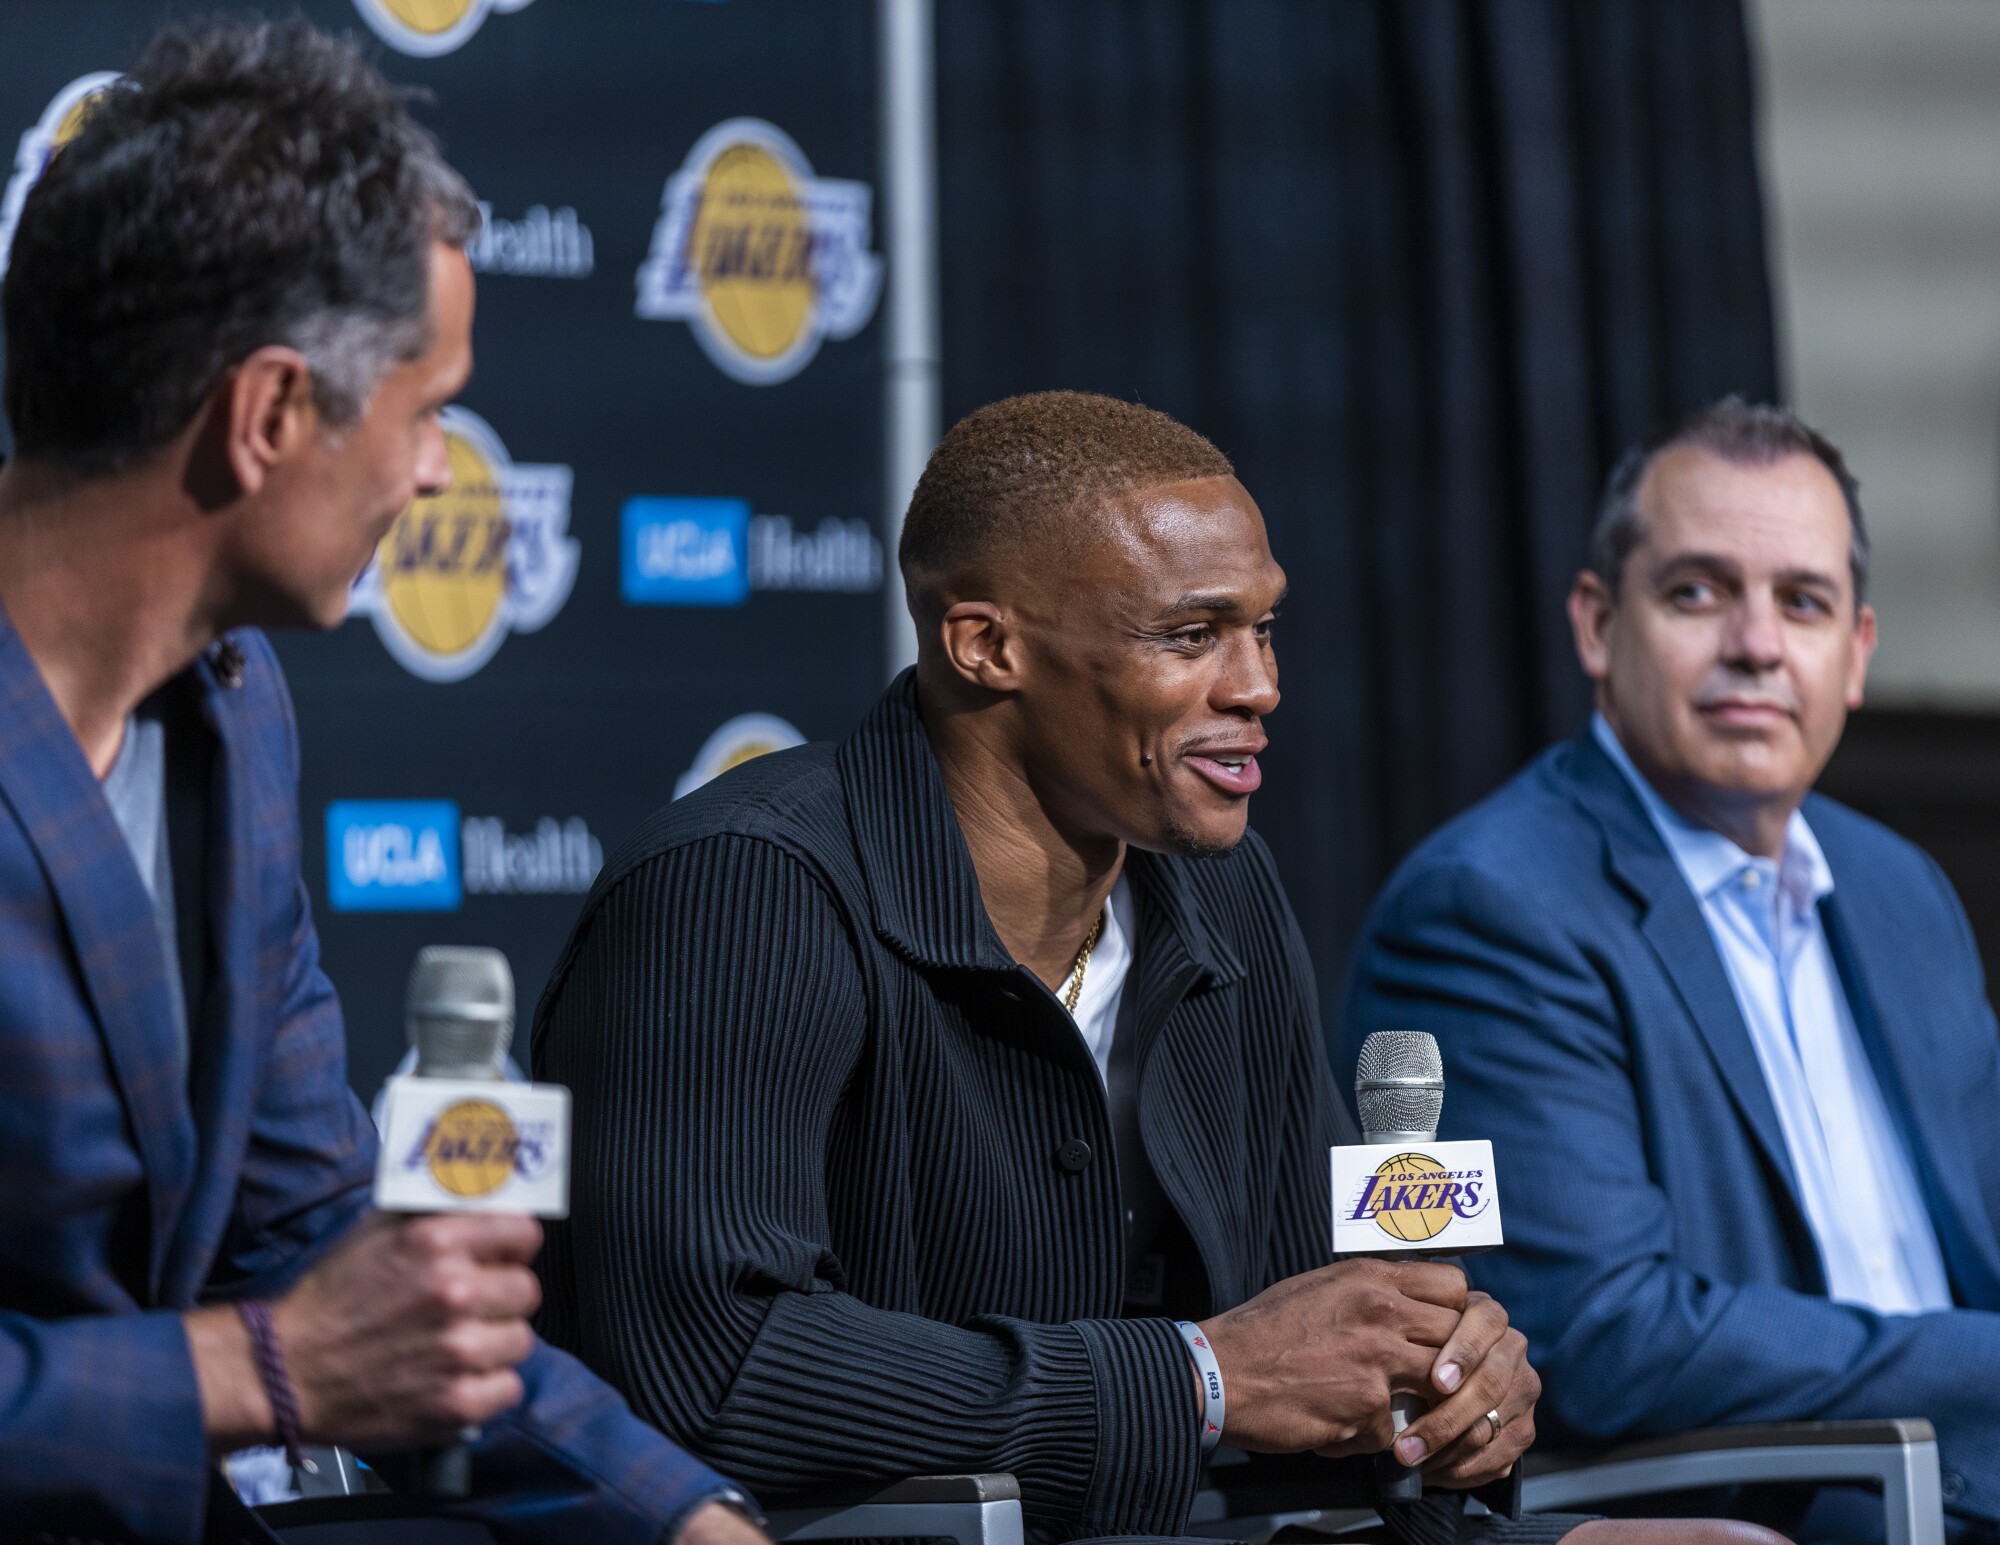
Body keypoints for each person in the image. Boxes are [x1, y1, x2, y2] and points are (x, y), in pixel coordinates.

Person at [534, 391, 1772, 1545]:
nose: (1260, 687)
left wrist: (1443, 1388)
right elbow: (717, 1367)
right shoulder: (741, 889)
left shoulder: (1222, 890)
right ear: (983, 644)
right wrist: (1202, 1381)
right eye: (1191, 636)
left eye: (1263, 627)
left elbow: (1310, 1332)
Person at [0, 21, 765, 1543]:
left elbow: (314, 1235)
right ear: (270, 414)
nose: (437, 471)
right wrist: (256, 1371)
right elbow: (302, 1335)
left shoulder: (235, 708)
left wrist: (689, 1523)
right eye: (425, 410)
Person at [1344, 398, 2000, 1540]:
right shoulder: (1491, 906)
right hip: (1763, 1504)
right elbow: (1602, 1335)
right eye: (1697, 592)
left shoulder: (1897, 888)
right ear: (1597, 627)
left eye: (1800, 602)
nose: (1754, 643)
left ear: (1853, 656)